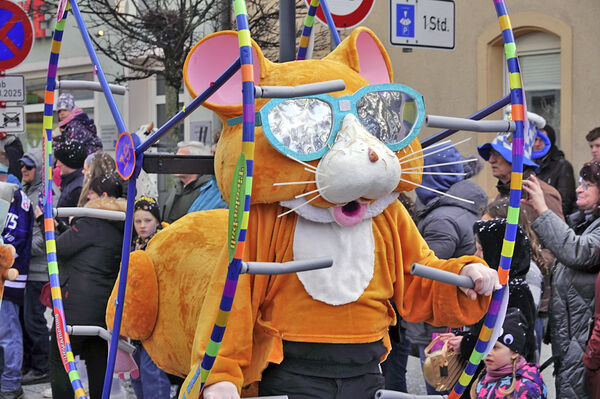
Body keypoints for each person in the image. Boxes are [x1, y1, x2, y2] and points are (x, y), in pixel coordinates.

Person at [404, 145, 488, 395]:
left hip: (439, 326)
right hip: (454, 320)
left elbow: (425, 270)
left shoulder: (441, 218)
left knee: (441, 385)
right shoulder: (459, 209)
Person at [522, 161, 600, 398]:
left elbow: (577, 251)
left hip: (585, 344)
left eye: (587, 185)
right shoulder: (584, 222)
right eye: (579, 183)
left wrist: (543, 211)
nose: (579, 189)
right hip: (573, 341)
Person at [48, 174, 125, 399]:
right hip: (103, 306)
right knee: (97, 358)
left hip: (75, 307)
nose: (86, 197)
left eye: (90, 193)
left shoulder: (91, 220)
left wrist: (60, 224)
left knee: (61, 358)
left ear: (102, 196)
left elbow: (57, 248)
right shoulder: (121, 223)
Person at [19, 149, 59, 385]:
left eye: (29, 167)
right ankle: (31, 364)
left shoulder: (45, 195)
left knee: (35, 320)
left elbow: (47, 238)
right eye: (22, 166)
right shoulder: (27, 191)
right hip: (27, 268)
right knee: (27, 319)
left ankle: (42, 366)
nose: (24, 170)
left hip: (40, 270)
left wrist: (17, 246)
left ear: (39, 170)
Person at [129, 196, 171, 399]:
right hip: (136, 316)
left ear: (157, 220)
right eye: (138, 221)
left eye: (147, 220)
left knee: (151, 370)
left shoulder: (163, 244)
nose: (143, 226)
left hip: (158, 316)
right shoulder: (133, 244)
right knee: (135, 371)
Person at [0, 151, 34, 399]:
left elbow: (15, 238)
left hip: (8, 278)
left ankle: (10, 384)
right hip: (9, 276)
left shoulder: (12, 196)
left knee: (8, 333)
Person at [471, 308, 547, 399]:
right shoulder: (484, 380)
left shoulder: (525, 388)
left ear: (515, 352)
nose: (488, 352)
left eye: (495, 347)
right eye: (486, 346)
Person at [162, 141, 226, 223]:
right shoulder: (177, 188)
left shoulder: (207, 190)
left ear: (195, 162)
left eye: (181, 158)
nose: (175, 162)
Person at [532, 125, 577, 216]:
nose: (537, 144)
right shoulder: (530, 164)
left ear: (550, 141)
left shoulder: (562, 166)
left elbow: (565, 203)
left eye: (542, 140)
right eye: (535, 140)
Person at [54, 140, 87, 209]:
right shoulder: (73, 183)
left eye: (59, 160)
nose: (57, 164)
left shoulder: (77, 189)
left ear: (68, 162)